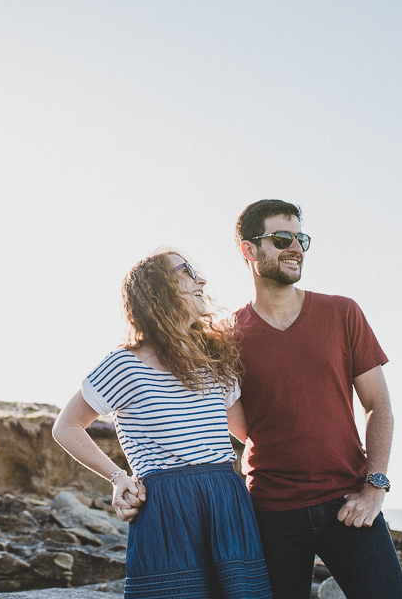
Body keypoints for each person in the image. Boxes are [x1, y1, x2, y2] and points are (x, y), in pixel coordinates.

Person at [121, 201, 402, 599]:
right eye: (282, 238)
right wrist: (127, 477)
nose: (296, 248)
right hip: (271, 512)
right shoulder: (226, 337)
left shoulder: (342, 312)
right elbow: (190, 403)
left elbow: (379, 405)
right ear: (249, 249)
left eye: (301, 239)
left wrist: (375, 487)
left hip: (348, 502)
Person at [52, 250, 272, 599]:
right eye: (188, 272)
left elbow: (248, 433)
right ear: (157, 289)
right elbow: (66, 426)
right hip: (166, 507)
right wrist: (118, 478)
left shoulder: (216, 360)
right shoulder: (124, 365)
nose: (201, 281)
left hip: (226, 500)